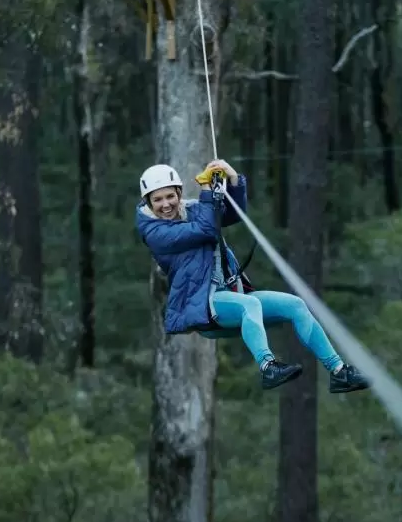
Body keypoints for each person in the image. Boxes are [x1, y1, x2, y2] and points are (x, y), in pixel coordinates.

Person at [135, 159, 370, 393]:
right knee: (250, 304)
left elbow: (232, 216)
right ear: (148, 202)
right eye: (157, 200)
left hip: (228, 296)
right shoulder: (155, 232)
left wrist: (234, 180)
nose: (166, 204)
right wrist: (207, 191)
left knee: (295, 305)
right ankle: (267, 366)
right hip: (201, 306)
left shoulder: (192, 210)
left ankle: (339, 372)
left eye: (170, 196)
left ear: (179, 193)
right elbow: (207, 229)